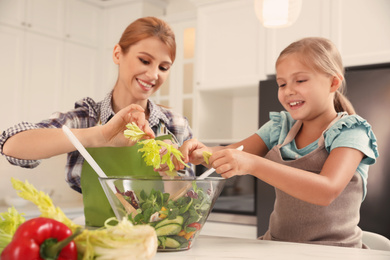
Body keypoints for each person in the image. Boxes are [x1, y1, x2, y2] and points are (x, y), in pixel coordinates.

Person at [177, 37, 378, 248]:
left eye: (300, 80)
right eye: (282, 83)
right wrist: (202, 152)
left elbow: (326, 191)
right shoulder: (280, 127)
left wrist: (252, 164)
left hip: (335, 251)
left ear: (333, 82)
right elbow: (232, 153)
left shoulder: (352, 131)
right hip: (278, 245)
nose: (288, 90)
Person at [0, 16, 193, 193]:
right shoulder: (86, 118)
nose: (153, 75)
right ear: (118, 54)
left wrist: (170, 172)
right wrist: (102, 135)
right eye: (144, 61)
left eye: (163, 67)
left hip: (159, 231)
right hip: (98, 231)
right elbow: (11, 145)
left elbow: (189, 204)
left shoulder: (175, 125)